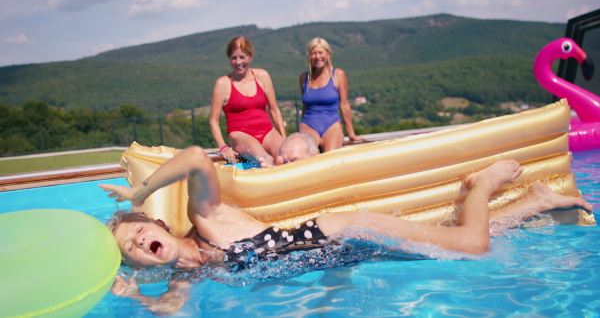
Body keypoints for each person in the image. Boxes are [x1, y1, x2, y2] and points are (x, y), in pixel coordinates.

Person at [100, 145, 592, 315]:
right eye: (132, 250)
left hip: (342, 231)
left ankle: (481, 185)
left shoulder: (205, 224)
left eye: (138, 232)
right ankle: (535, 201)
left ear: (157, 224)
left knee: (473, 248)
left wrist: (139, 195)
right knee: (445, 249)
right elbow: (172, 315)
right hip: (345, 258)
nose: (140, 243)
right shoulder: (189, 279)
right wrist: (132, 299)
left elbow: (190, 158)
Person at [209, 36, 286, 167]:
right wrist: (223, 147)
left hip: (267, 131)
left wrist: (284, 139)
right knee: (265, 160)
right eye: (234, 58)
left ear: (250, 57)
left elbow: (274, 110)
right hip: (240, 135)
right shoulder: (222, 84)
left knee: (285, 156)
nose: (238, 62)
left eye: (242, 57)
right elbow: (213, 121)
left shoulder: (262, 76)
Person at [299, 37, 366, 152]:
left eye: (321, 52)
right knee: (308, 156)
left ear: (328, 54)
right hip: (308, 125)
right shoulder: (303, 78)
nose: (317, 56)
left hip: (331, 125)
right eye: (313, 53)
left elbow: (344, 105)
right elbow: (305, 106)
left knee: (331, 158)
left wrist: (352, 134)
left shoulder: (338, 75)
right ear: (309, 56)